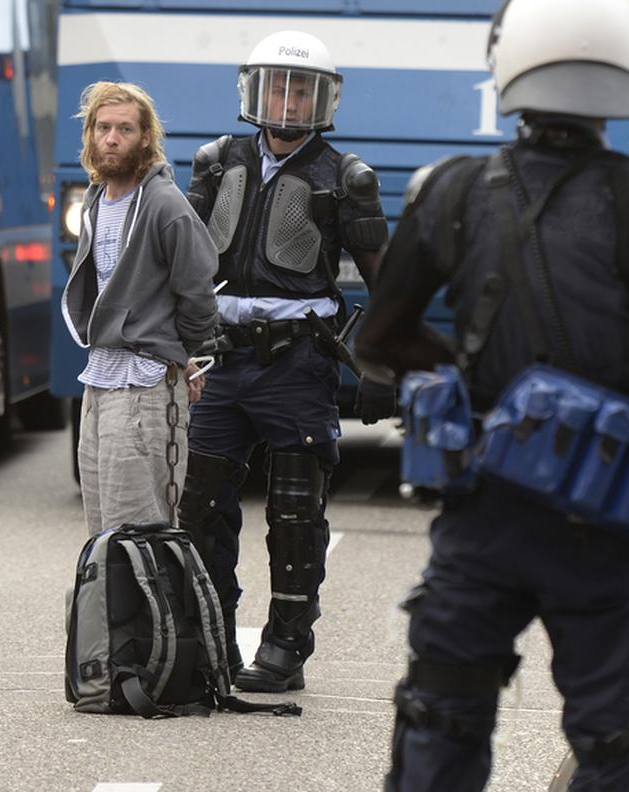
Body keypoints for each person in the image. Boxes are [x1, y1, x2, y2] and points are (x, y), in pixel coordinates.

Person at [352, 0, 629, 788]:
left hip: (484, 511)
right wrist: (621, 424)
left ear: (507, 60)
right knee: (620, 747)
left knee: (439, 728)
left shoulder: (448, 191)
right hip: (610, 523)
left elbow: (376, 343)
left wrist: (481, 384)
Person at [175, 31, 389, 694]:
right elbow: (183, 263)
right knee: (200, 507)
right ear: (254, 89)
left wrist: (382, 365)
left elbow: (388, 281)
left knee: (296, 514)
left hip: (298, 364)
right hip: (220, 360)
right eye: (278, 86)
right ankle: (211, 640)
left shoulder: (347, 177)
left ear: (322, 98)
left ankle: (286, 648)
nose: (289, 101)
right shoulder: (217, 160)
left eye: (301, 89)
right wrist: (176, 348)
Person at [61, 81, 219, 538]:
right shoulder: (95, 201)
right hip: (99, 379)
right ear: (90, 134)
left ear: (146, 137)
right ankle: (111, 613)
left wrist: (177, 352)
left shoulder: (164, 203)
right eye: (102, 128)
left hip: (145, 386)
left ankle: (152, 613)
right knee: (101, 532)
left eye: (125, 129)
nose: (111, 139)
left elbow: (198, 293)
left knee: (140, 532)